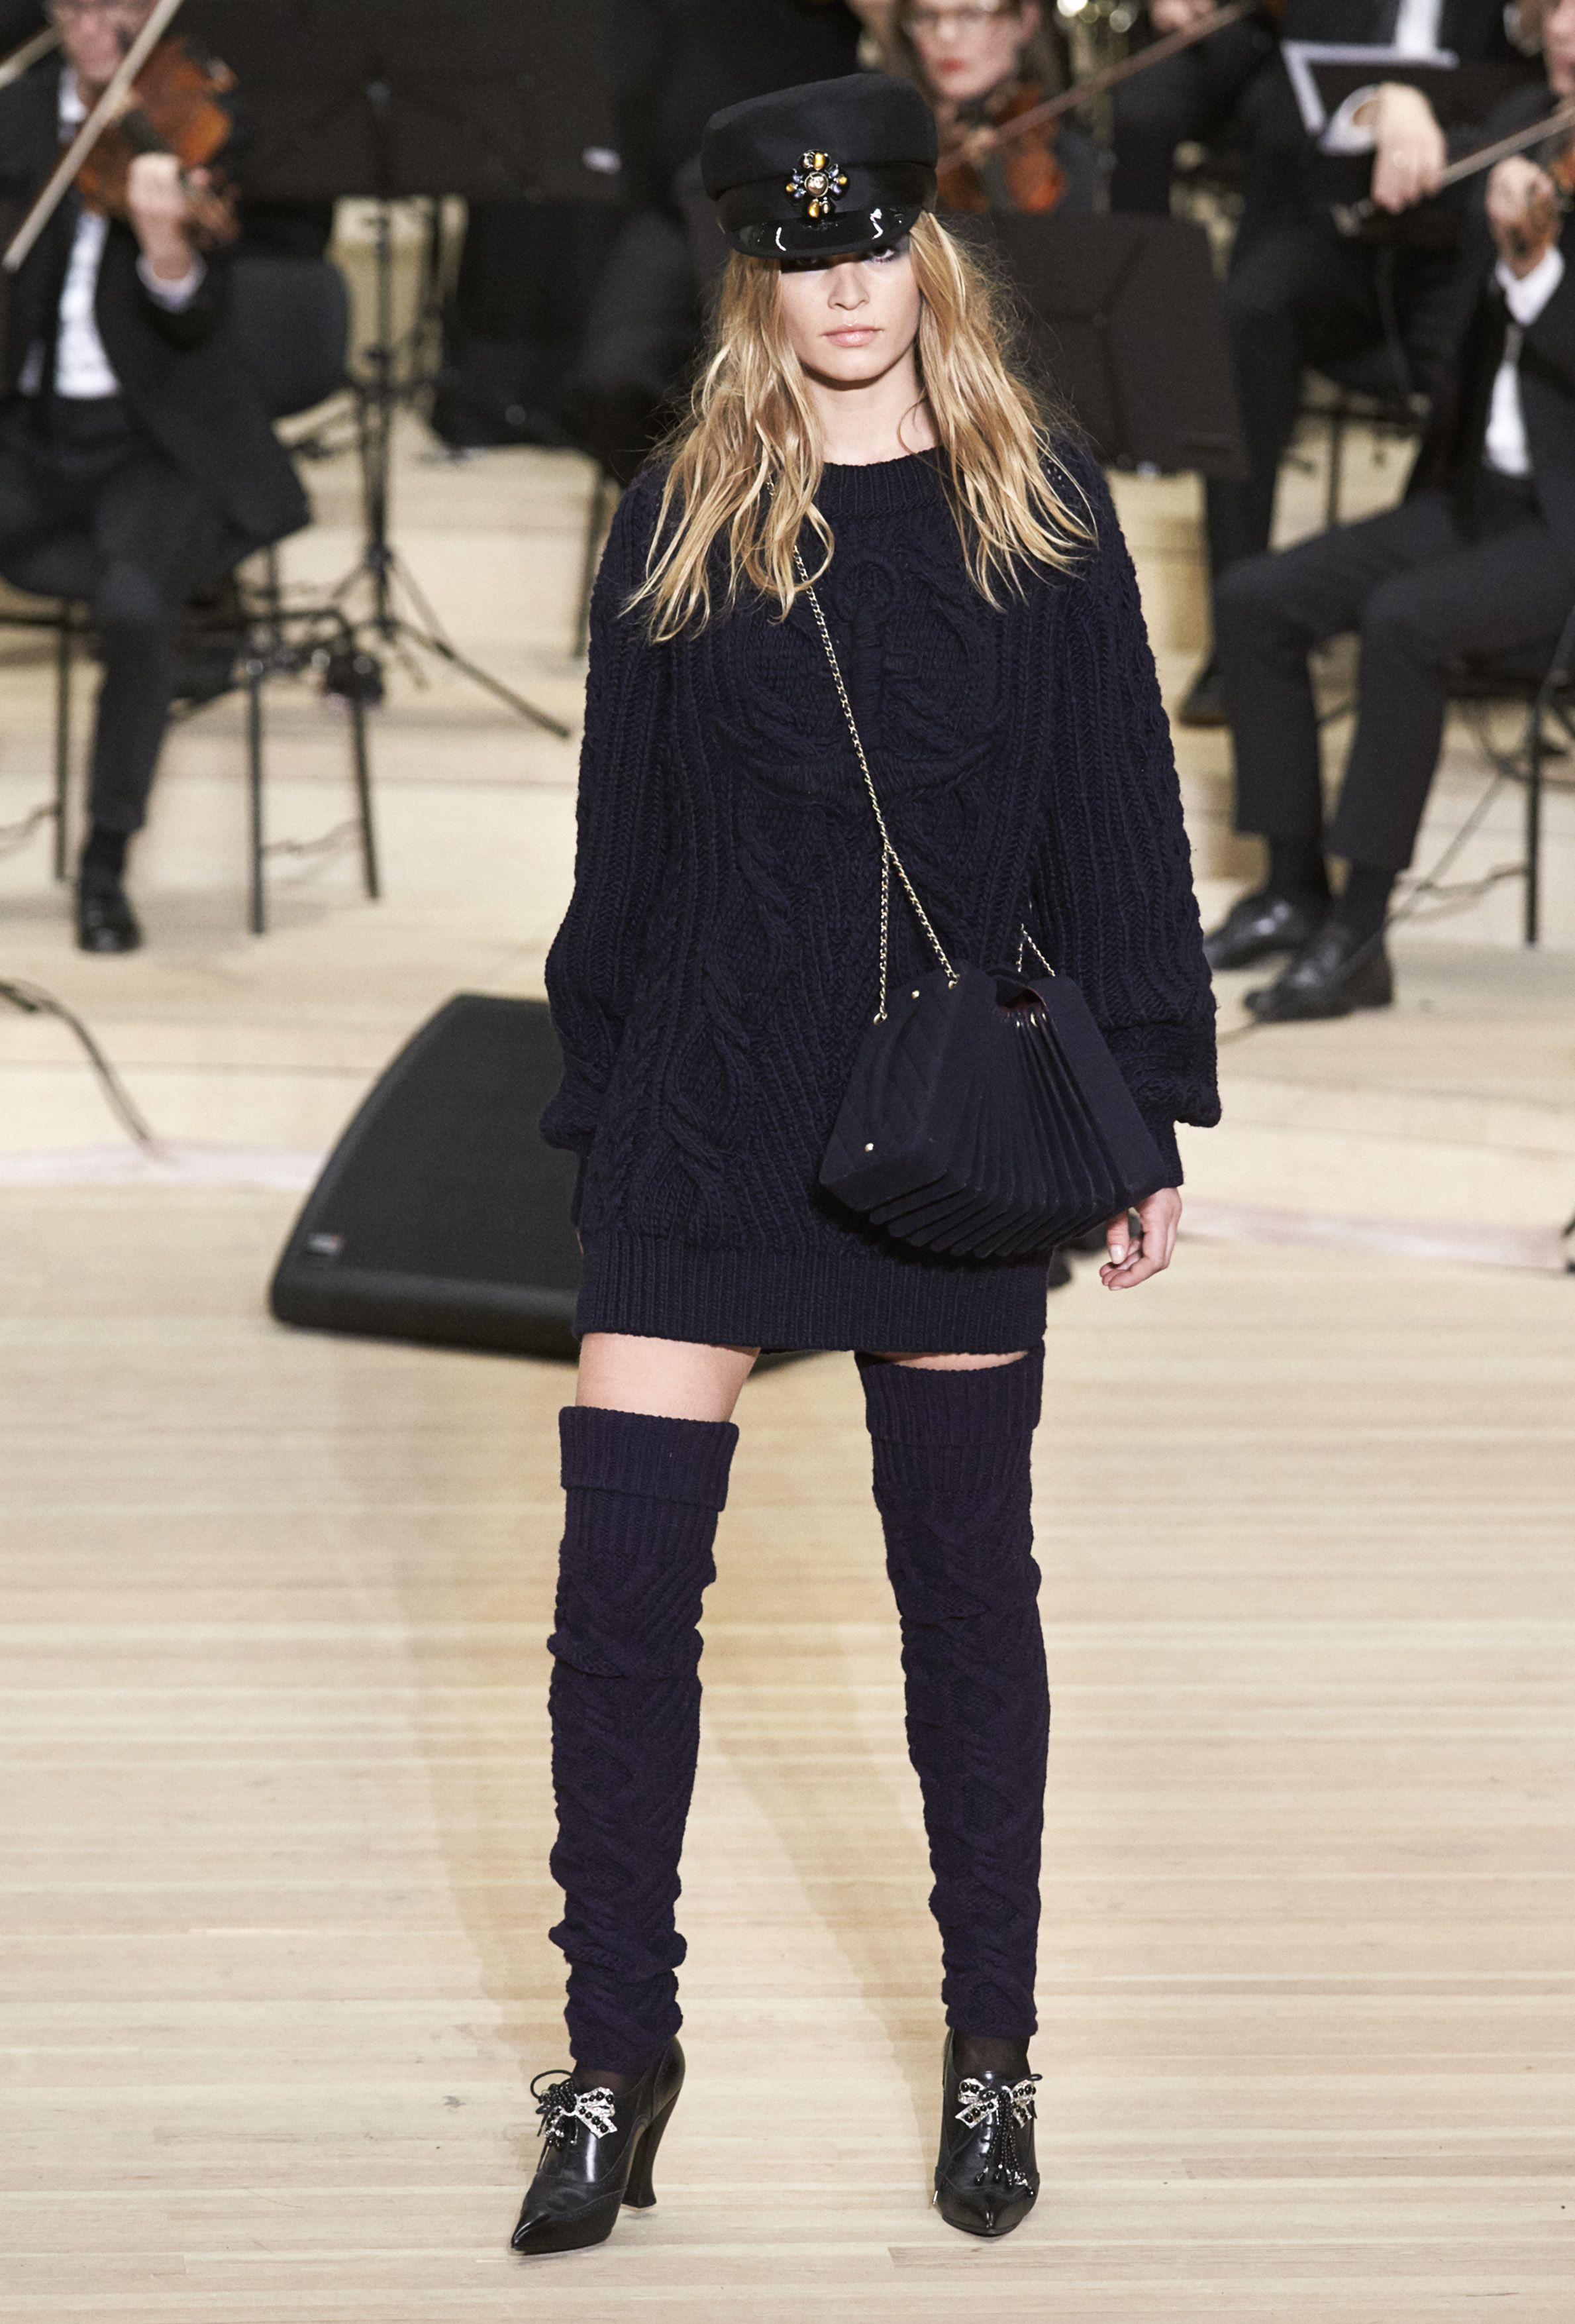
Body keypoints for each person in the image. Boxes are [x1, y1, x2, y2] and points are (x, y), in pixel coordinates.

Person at [512, 70, 1218, 2258]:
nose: (838, 284)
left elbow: (1113, 816)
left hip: (947, 1123)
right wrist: (597, 1107)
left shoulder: (1034, 504)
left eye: (868, 241)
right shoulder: (674, 511)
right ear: (755, 268)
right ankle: (613, 2054)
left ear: (925, 240)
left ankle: (991, 2041)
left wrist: (1142, 1111)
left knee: (960, 1606)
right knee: (617, 1605)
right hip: (707, 1117)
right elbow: (618, 849)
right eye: (797, 252)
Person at [1203, 0, 1575, 1018]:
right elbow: (1383, 185)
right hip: (1472, 497)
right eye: (1557, 5)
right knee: (1255, 596)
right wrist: (1391, 103)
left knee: (1401, 621)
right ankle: (1290, 889)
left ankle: (1359, 935)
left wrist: (1538, 270)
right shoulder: (1520, 116)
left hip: (1563, 526)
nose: (1565, 25)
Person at [0, 0, 307, 952]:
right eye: (75, 5)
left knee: (137, 609)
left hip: (152, 444)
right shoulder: (15, 111)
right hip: (27, 432)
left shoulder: (202, 108)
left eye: (120, 4)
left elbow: (193, 307)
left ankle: (104, 862)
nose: (96, 25)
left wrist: (166, 241)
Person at [1180, 0, 1524, 725]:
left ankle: (1456, 607)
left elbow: (1527, 73)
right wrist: (1378, 106)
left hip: (1472, 238)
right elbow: (1309, 99)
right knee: (1250, 307)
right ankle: (1238, 618)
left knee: (1493, 338)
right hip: (1350, 231)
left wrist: (1424, 109)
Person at [889, 0, 1101, 214]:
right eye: (926, 16)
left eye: (973, 14)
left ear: (1025, 19)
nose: (946, 35)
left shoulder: (1065, 149)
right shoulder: (890, 142)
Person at [1108, 0, 1284, 218]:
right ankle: (1139, 243)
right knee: (1140, 105)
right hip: (1211, 32)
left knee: (1285, 121)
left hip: (1290, 41)